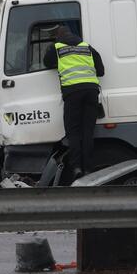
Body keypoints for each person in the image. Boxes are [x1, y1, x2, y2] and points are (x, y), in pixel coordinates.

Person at [43, 26, 105, 183]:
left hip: (73, 92)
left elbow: (47, 63)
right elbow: (101, 70)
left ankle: (77, 167)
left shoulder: (56, 47)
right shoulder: (87, 47)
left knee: (74, 132)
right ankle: (89, 168)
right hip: (91, 91)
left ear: (58, 36)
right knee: (88, 132)